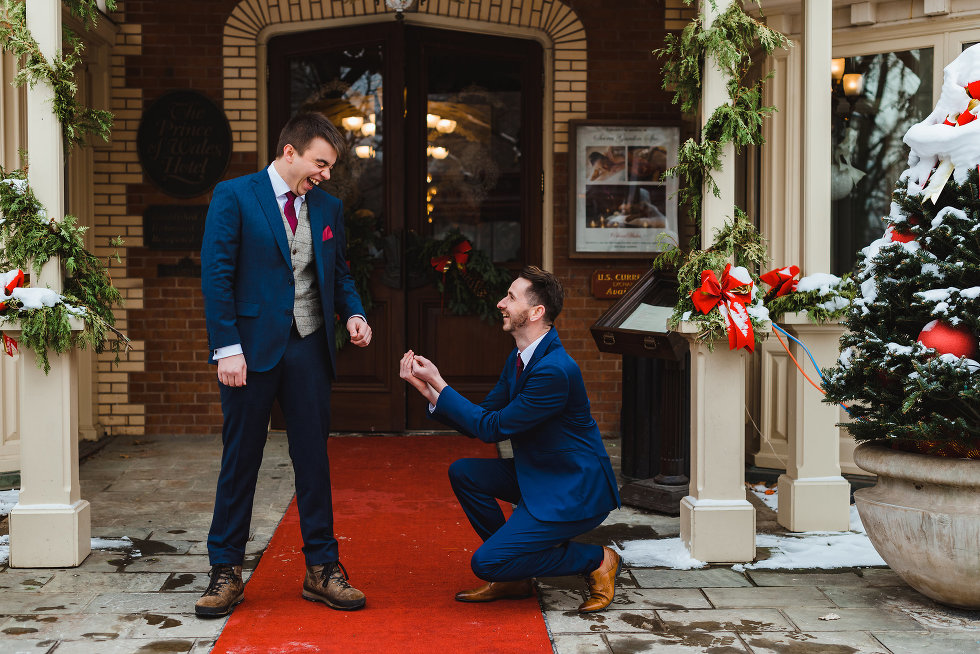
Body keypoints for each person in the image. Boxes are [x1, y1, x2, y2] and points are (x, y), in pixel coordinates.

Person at [197, 112, 372, 618]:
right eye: (321, 162)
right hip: (249, 350)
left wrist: (354, 312)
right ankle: (225, 569)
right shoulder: (235, 195)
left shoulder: (328, 207)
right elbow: (217, 276)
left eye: (332, 166)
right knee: (241, 459)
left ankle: (322, 569)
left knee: (313, 461)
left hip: (309, 347)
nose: (326, 174)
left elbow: (338, 274)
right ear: (289, 152)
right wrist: (226, 347)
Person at [398, 266, 622, 613]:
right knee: (464, 473)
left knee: (485, 563)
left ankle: (597, 559)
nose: (501, 303)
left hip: (573, 490)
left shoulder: (553, 370)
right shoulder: (519, 359)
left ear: (536, 312)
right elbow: (481, 420)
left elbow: (492, 428)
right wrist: (428, 391)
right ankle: (516, 575)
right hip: (541, 474)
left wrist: (440, 383)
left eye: (511, 297)